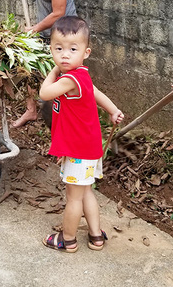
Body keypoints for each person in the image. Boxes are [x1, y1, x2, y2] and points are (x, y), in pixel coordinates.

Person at [38, 16, 124, 253]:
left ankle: (68, 240)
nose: (65, 55)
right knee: (86, 191)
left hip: (78, 151)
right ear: (51, 48)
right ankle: (96, 236)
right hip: (88, 148)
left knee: (73, 197)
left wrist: (54, 69)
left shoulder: (68, 79)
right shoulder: (82, 75)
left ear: (86, 52)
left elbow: (44, 93)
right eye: (59, 49)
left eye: (72, 49)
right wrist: (114, 110)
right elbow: (97, 93)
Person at [12, 0, 77, 127]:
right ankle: (31, 111)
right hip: (44, 31)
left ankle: (66, 121)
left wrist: (34, 29)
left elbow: (58, 13)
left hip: (62, 34)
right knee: (28, 70)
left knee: (61, 77)